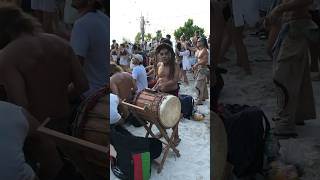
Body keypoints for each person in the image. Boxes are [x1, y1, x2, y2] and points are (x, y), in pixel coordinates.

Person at [268, 0, 316, 138]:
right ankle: (298, 114)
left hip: (297, 26)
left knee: (283, 76)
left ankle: (286, 123)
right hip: (290, 25)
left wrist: (279, 9)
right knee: (296, 74)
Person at [70, 0, 108, 97]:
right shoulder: (106, 20)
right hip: (105, 89)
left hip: (91, 92)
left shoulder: (81, 24)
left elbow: (75, 67)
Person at [153, 43, 181, 145]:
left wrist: (163, 85)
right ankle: (163, 131)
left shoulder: (175, 65)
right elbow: (159, 79)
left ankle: (176, 137)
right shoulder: (159, 64)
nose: (164, 56)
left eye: (166, 53)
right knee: (159, 114)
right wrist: (155, 86)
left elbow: (175, 80)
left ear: (171, 54)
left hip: (172, 93)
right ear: (159, 55)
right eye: (162, 54)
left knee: (173, 115)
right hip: (161, 93)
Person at [193, 37, 209, 105]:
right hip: (199, 69)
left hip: (202, 69)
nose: (197, 42)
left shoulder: (204, 50)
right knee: (203, 84)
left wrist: (197, 64)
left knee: (198, 85)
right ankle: (203, 97)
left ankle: (199, 100)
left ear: (202, 42)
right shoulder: (200, 49)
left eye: (199, 41)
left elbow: (205, 60)